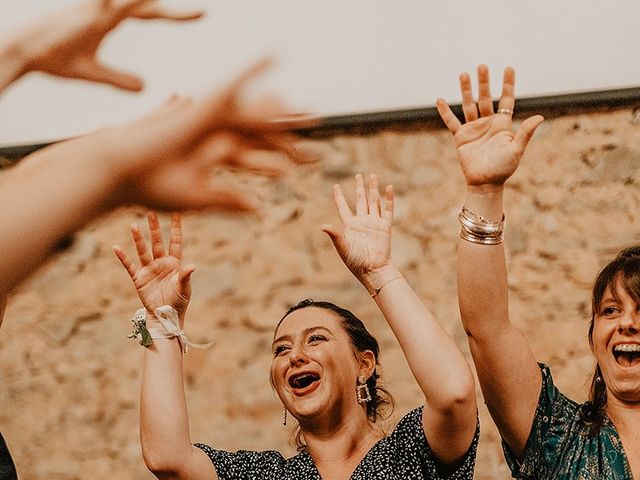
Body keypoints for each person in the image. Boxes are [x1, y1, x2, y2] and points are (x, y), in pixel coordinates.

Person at [113, 174, 479, 479]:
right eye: (281, 349)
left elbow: (454, 394)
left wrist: (378, 273)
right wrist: (162, 320)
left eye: (316, 339)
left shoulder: (413, 454)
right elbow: (167, 458)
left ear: (364, 365)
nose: (295, 357)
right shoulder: (267, 475)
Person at [437, 65, 640, 478]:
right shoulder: (558, 436)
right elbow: (487, 327)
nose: (628, 325)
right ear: (594, 336)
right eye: (611, 311)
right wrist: (484, 191)